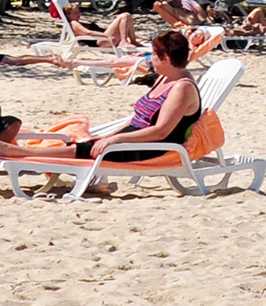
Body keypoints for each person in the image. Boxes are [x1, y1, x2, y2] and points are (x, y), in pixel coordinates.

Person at [68, 29, 203, 193]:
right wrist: (108, 136)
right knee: (84, 146)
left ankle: (35, 155)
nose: (150, 59)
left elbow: (161, 131)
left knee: (82, 150)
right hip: (136, 138)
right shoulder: (165, 77)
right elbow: (138, 119)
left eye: (154, 55)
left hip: (152, 147)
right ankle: (40, 156)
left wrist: (115, 139)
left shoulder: (182, 88)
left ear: (166, 58)